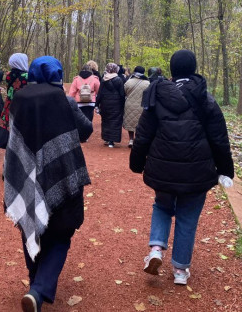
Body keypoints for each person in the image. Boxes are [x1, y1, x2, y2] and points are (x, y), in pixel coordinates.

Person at [129, 49, 234, 286]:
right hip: (197, 172)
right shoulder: (206, 99)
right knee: (187, 216)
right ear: (194, 68)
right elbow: (219, 139)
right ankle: (180, 270)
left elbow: (143, 134)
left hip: (163, 169)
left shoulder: (157, 95)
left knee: (162, 205)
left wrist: (137, 163)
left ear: (172, 70)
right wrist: (225, 170)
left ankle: (156, 249)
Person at [3, 56, 92, 312]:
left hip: (25, 177)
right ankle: (39, 289)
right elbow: (86, 131)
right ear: (57, 75)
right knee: (61, 234)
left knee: (30, 225)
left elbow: (14, 139)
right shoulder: (65, 101)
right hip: (63, 176)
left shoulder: (20, 100)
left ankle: (34, 284)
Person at [0, 53, 29, 149]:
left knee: (10, 127)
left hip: (9, 104)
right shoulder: (27, 76)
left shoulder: (9, 75)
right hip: (23, 105)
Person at [96, 62, 125, 148]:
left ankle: (106, 138)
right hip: (116, 104)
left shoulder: (103, 79)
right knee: (115, 121)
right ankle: (112, 141)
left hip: (105, 103)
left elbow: (100, 93)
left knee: (105, 121)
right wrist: (123, 104)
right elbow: (122, 94)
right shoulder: (119, 80)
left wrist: (97, 104)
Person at [123, 66, 149, 147]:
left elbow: (124, 92)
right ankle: (138, 140)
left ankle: (131, 139)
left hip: (129, 104)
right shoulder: (147, 83)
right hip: (141, 105)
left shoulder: (128, 82)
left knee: (130, 122)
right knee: (139, 123)